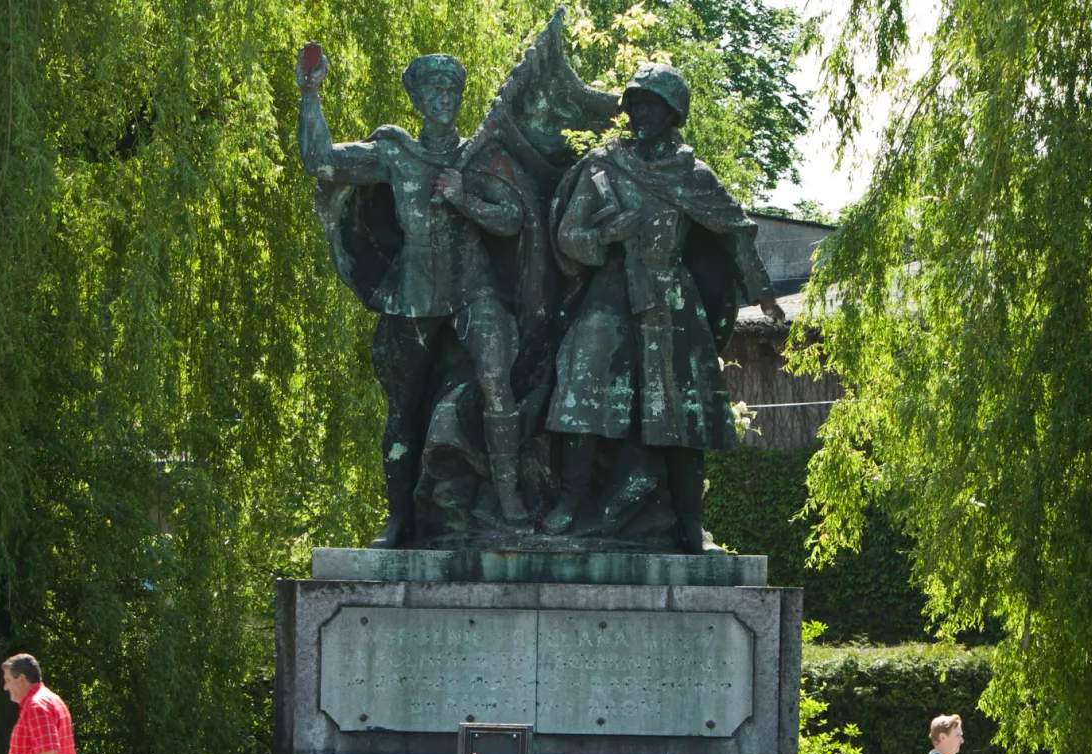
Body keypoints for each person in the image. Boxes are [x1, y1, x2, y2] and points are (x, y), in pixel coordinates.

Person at [542, 62, 784, 551]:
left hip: (670, 298)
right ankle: (569, 502)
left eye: (652, 105)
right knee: (581, 387)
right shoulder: (603, 166)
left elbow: (735, 234)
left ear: (674, 114)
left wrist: (761, 291)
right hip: (610, 290)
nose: (640, 113)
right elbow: (569, 235)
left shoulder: (693, 175)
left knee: (682, 412)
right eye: (635, 103)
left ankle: (689, 521)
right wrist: (607, 235)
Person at [297, 47, 533, 544]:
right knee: (401, 411)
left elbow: (513, 220)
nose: (444, 99)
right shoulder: (396, 155)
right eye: (434, 92)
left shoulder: (482, 156)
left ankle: (510, 496)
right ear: (418, 99)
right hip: (415, 293)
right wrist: (310, 95)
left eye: (452, 91)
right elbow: (321, 162)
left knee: (496, 378)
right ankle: (399, 516)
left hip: (475, 287)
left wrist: (463, 196)